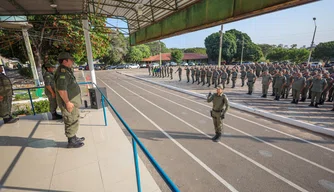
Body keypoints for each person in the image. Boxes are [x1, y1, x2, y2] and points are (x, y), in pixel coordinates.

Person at [55, 52, 85, 148]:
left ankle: (74, 137)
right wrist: (67, 102)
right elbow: (61, 89)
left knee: (74, 118)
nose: (72, 61)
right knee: (70, 120)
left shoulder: (67, 71)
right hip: (68, 102)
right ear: (65, 61)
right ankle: (71, 141)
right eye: (70, 60)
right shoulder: (62, 73)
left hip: (72, 101)